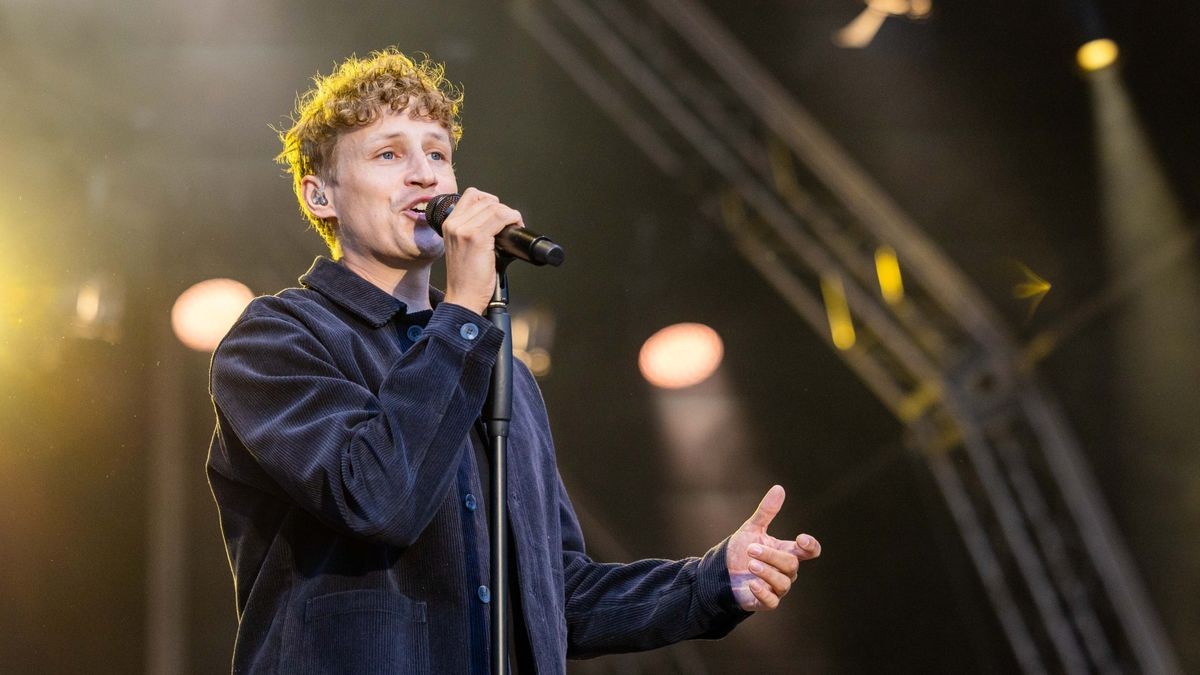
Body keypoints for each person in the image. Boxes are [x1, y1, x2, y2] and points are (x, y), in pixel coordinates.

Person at [206, 47, 821, 674]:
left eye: (438, 153)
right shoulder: (276, 340)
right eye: (389, 154)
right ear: (320, 196)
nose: (426, 176)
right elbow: (376, 497)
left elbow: (554, 595)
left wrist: (712, 582)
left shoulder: (502, 372)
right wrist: (466, 311)